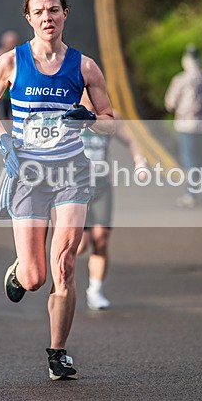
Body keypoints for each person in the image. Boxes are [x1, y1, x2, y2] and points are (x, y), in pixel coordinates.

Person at [0, 0, 115, 380]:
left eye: (53, 9)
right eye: (39, 11)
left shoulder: (85, 66)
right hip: (29, 175)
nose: (47, 17)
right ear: (29, 17)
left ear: (65, 13)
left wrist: (89, 119)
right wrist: (4, 139)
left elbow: (109, 121)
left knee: (65, 263)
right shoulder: (11, 61)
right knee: (36, 277)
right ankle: (19, 270)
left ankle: (58, 352)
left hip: (71, 171)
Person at [76, 102, 148, 310]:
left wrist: (140, 163)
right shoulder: (68, 113)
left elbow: (130, 141)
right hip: (75, 188)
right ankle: (63, 283)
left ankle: (95, 290)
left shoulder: (110, 117)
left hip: (102, 186)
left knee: (101, 238)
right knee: (80, 245)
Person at [165, 43, 202, 207]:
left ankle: (191, 195)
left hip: (186, 126)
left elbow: (170, 103)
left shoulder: (180, 80)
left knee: (190, 161)